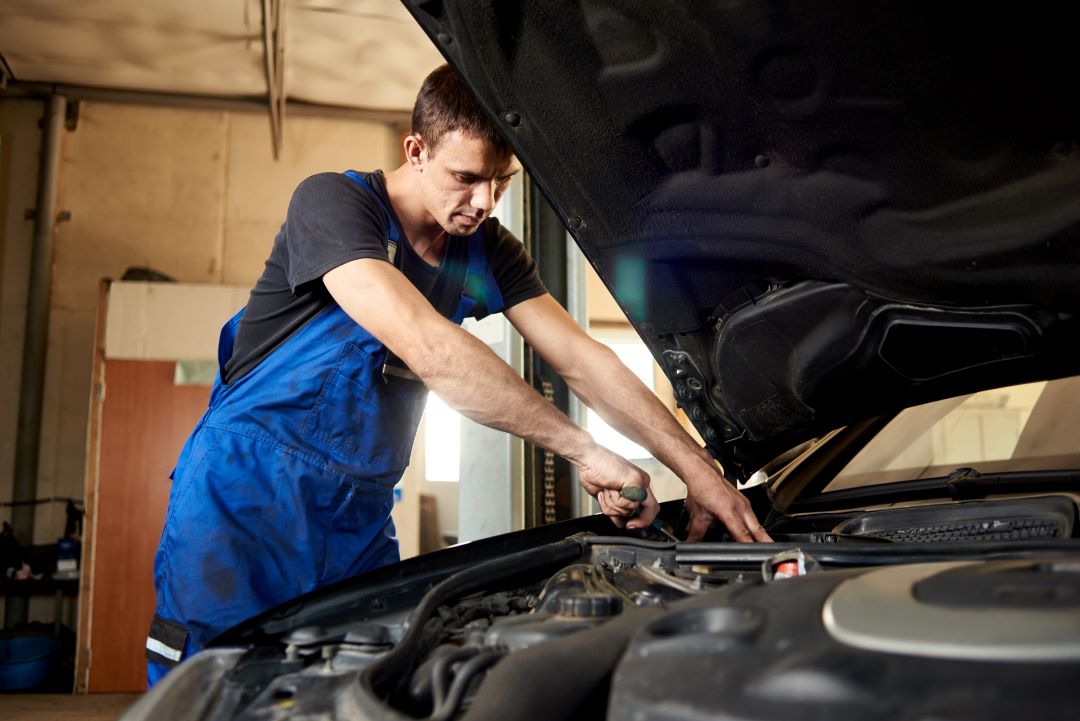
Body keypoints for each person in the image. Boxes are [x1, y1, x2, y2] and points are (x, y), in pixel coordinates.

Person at [145, 64, 771, 684]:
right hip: (242, 500)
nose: (483, 203)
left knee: (354, 683)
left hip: (356, 517)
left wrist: (698, 470)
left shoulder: (488, 252)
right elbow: (428, 346)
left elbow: (583, 360)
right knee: (212, 684)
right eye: (466, 178)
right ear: (416, 150)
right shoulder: (335, 205)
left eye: (501, 183)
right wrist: (587, 451)